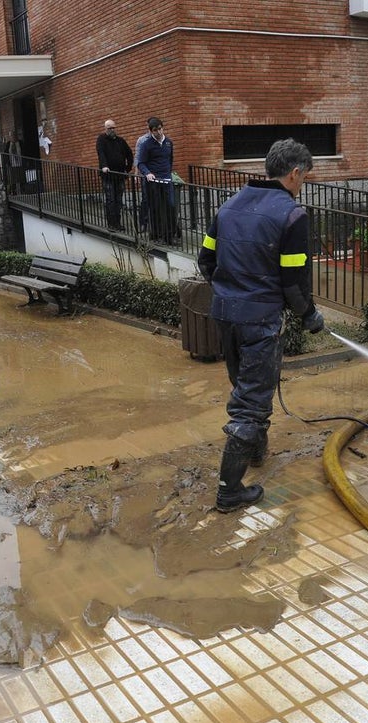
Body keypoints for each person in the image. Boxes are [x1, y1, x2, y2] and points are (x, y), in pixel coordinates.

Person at [198, 138, 324, 513]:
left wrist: (230, 293)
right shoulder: (291, 215)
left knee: (245, 385)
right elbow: (292, 279)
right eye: (305, 177)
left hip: (225, 314)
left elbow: (206, 260)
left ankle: (255, 451)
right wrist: (308, 314)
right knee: (250, 405)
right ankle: (229, 490)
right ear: (294, 173)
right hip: (260, 320)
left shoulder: (229, 205)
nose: (303, 184)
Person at [135, 117, 176, 243]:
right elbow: (141, 163)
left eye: (160, 129)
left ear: (162, 128)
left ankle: (170, 236)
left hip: (166, 180)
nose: (158, 132)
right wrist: (148, 173)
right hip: (153, 181)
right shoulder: (146, 145)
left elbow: (170, 160)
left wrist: (168, 173)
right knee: (156, 208)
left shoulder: (168, 142)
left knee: (170, 206)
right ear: (151, 131)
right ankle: (157, 235)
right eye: (155, 130)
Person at [96, 119, 134, 231]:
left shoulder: (120, 141)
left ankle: (118, 223)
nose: (112, 130)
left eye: (113, 128)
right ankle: (111, 224)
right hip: (108, 175)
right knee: (110, 200)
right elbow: (101, 153)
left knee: (118, 200)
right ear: (105, 129)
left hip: (120, 175)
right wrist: (104, 166)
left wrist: (128, 168)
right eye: (109, 128)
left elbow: (129, 153)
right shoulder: (101, 139)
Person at [5, 129, 24, 193]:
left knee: (21, 177)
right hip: (12, 163)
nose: (12, 137)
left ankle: (22, 190)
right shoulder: (8, 144)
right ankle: (14, 191)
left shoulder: (20, 143)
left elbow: (25, 152)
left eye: (13, 135)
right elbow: (6, 154)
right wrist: (7, 162)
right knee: (12, 179)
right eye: (11, 135)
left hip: (20, 163)